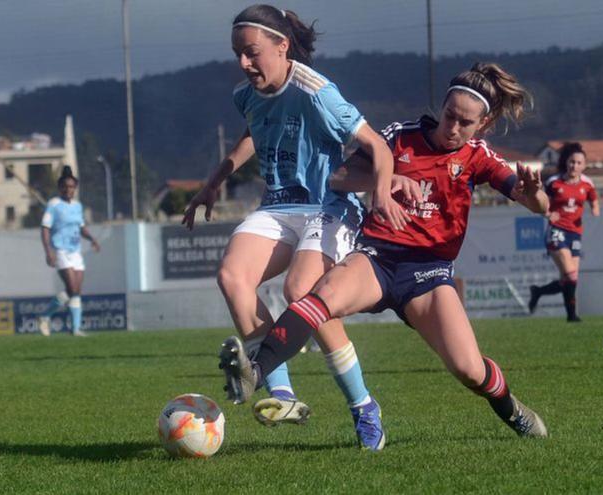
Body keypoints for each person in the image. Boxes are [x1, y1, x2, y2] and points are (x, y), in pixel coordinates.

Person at [219, 62, 551, 451]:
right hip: (378, 257)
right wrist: (388, 179)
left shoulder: (479, 157)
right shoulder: (399, 137)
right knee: (317, 296)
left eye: (465, 123)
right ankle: (256, 373)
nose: (454, 128)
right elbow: (339, 178)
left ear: (484, 123)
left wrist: (535, 196)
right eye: (449, 116)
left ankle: (511, 408)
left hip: (428, 274)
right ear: (441, 107)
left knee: (468, 369)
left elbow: (538, 205)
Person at [182, 4, 402, 425]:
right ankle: (281, 394)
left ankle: (363, 406)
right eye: (237, 54)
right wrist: (214, 181)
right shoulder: (246, 95)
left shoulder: (316, 91)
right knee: (232, 277)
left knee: (302, 292)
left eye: (251, 52)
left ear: (282, 46)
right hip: (280, 205)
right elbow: (255, 128)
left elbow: (378, 145)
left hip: (328, 206)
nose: (244, 63)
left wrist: (381, 194)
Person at [528, 142, 600, 321]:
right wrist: (547, 214)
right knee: (570, 273)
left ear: (584, 165)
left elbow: (594, 200)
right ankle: (572, 315)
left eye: (578, 163)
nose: (574, 166)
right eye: (571, 162)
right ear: (566, 163)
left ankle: (543, 295)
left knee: (570, 278)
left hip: (575, 233)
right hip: (557, 231)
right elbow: (541, 202)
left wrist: (595, 209)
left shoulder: (588, 184)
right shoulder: (554, 182)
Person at [38, 166, 100, 337]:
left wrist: (92, 239)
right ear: (60, 187)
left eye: (72, 186)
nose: (68, 189)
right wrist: (48, 251)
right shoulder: (53, 205)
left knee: (76, 291)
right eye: (65, 186)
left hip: (75, 252)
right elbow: (45, 229)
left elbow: (81, 228)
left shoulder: (77, 206)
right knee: (72, 288)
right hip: (60, 250)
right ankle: (45, 317)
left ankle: (75, 329)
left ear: (75, 188)